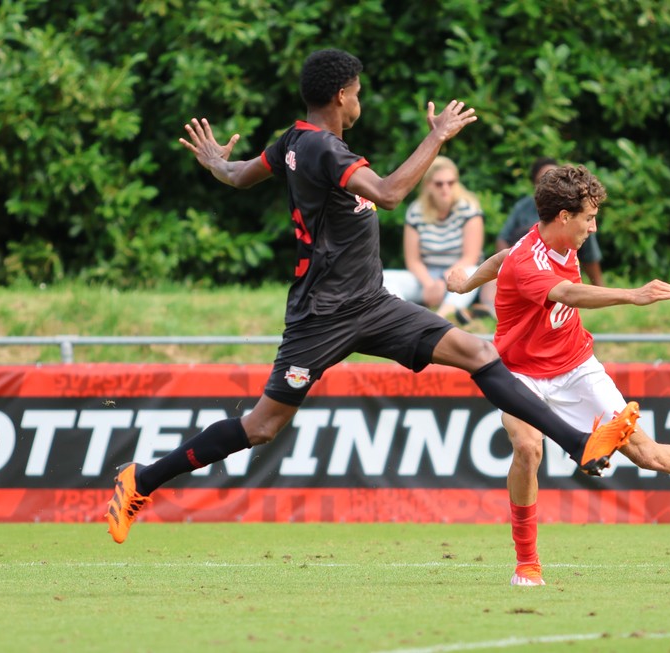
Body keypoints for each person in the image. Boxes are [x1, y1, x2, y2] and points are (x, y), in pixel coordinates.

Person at [105, 49, 640, 544]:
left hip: (373, 303)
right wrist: (438, 137)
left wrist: (217, 163)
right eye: (357, 92)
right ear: (341, 96)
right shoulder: (318, 146)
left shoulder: (292, 140)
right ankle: (141, 479)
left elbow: (240, 176)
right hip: (321, 317)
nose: (360, 100)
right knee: (262, 426)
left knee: (480, 353)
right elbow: (389, 193)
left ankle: (575, 442)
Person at [447, 164, 670, 587]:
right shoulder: (528, 261)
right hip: (519, 374)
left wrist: (465, 284)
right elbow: (565, 291)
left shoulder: (549, 241)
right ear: (564, 217)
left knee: (647, 455)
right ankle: (527, 564)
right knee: (527, 448)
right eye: (589, 218)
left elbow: (499, 258)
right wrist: (632, 294)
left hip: (575, 367)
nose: (593, 227)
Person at [382, 156, 484, 324]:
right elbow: (413, 260)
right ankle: (403, 316)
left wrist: (443, 281)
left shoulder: (469, 209)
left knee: (474, 270)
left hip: (458, 274)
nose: (445, 188)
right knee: (384, 277)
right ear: (428, 184)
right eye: (439, 184)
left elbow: (470, 256)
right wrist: (429, 284)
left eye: (451, 183)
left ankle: (442, 316)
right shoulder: (416, 211)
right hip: (426, 276)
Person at [496, 157, 604, 286]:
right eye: (543, 181)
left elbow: (589, 256)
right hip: (529, 269)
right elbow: (503, 244)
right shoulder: (523, 208)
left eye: (554, 181)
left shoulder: (575, 228)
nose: (549, 185)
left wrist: (599, 287)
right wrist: (508, 266)